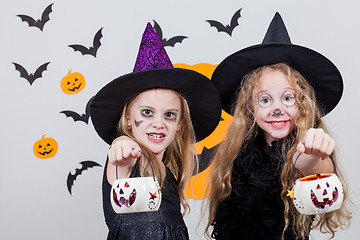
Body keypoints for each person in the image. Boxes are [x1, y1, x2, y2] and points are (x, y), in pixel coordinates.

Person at [206, 12, 351, 239]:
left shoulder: (302, 151)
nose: (276, 109)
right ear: (250, 108)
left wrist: (313, 154)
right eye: (265, 100)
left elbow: (314, 168)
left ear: (303, 105)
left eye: (288, 98)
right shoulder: (236, 153)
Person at [90, 23, 221, 240]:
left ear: (180, 123)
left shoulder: (165, 167)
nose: (159, 123)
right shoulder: (128, 161)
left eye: (169, 115)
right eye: (148, 113)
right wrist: (121, 144)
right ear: (128, 119)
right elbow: (120, 152)